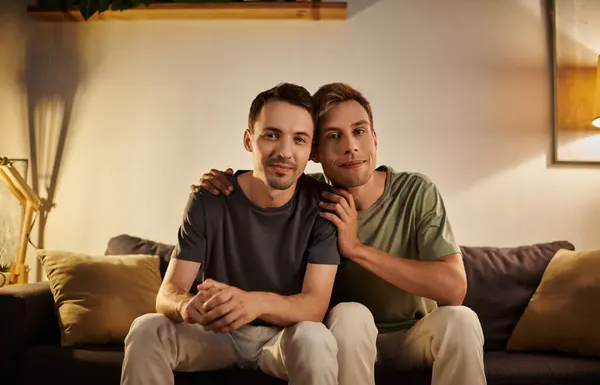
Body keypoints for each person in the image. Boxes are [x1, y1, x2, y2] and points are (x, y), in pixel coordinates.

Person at [191, 82, 487, 385]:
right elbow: (264, 186)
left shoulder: (416, 192)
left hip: (412, 336)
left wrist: (356, 248)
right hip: (342, 335)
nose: (350, 146)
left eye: (359, 131)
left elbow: (454, 290)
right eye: (334, 136)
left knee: (462, 320)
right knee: (350, 314)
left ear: (374, 138)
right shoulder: (307, 198)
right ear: (314, 152)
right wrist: (219, 183)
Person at [120, 83, 343, 385]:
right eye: (271, 135)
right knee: (147, 329)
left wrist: (253, 303)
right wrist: (186, 306)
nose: (285, 152)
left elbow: (315, 306)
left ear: (311, 150)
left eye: (299, 139)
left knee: (315, 338)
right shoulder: (209, 198)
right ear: (249, 140)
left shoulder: (323, 205)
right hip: (216, 334)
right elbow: (167, 294)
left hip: (284, 338)